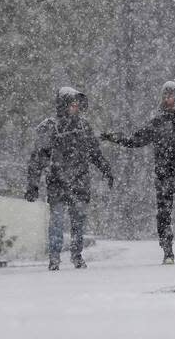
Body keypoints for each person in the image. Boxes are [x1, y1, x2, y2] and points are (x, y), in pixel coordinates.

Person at [101, 80, 175, 264]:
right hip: (164, 175)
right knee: (163, 214)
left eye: (171, 96)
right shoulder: (158, 121)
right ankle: (167, 250)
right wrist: (116, 138)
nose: (168, 100)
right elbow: (136, 139)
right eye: (165, 96)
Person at [25, 86, 114, 271]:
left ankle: (76, 255)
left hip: (79, 182)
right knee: (57, 222)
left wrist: (106, 169)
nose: (76, 108)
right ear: (63, 105)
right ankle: (55, 257)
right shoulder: (50, 126)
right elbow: (38, 157)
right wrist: (33, 184)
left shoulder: (83, 126)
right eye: (72, 105)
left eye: (77, 105)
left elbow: (94, 153)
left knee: (78, 222)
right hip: (57, 183)